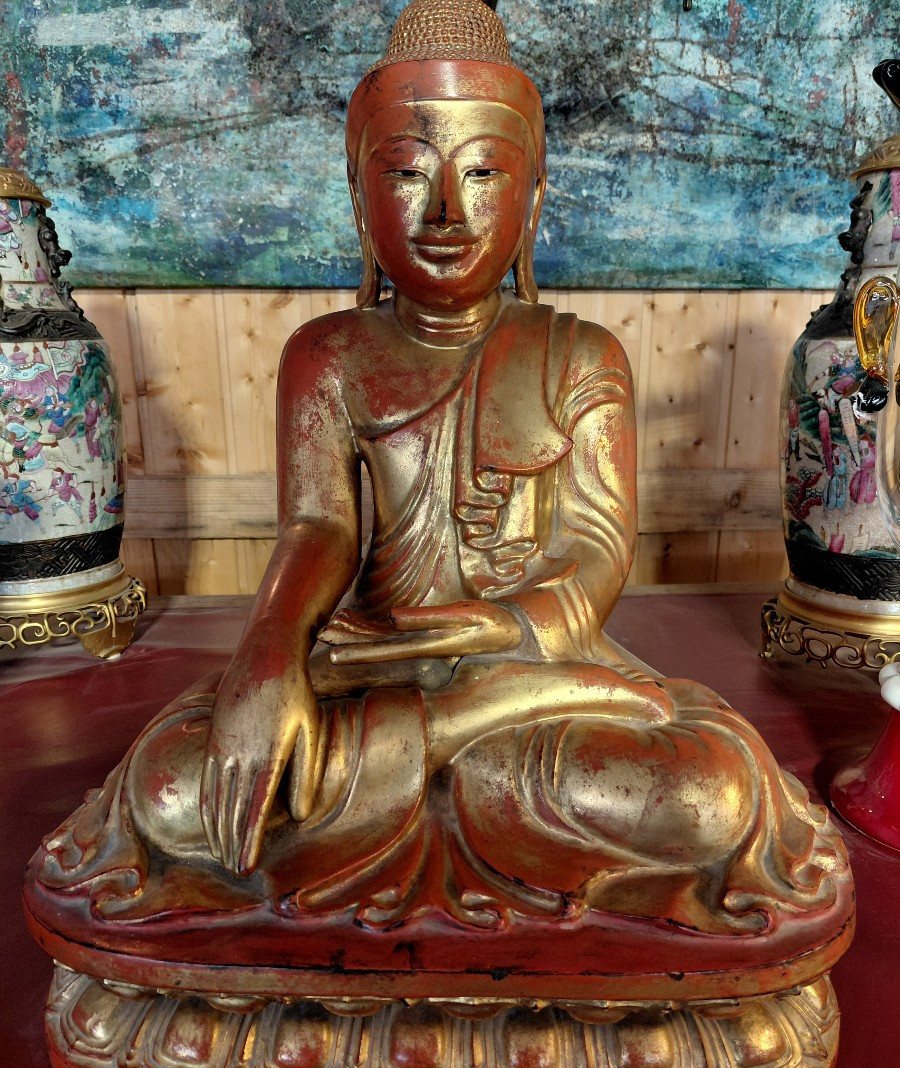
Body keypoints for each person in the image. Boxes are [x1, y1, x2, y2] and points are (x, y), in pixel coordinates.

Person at [37, 0, 847, 938]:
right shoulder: (327, 355)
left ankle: (473, 730)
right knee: (174, 788)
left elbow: (594, 548)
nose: (449, 213)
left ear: (533, 196)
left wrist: (502, 627)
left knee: (706, 793)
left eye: (484, 175)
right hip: (370, 662)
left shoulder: (579, 356)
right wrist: (267, 659)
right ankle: (466, 735)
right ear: (358, 195)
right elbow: (320, 528)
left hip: (527, 659)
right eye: (409, 175)